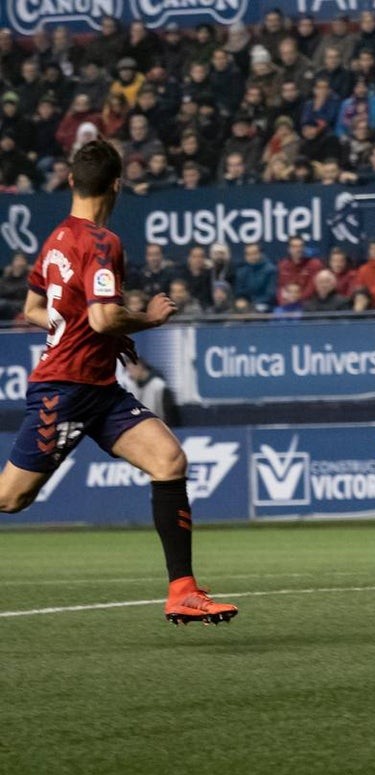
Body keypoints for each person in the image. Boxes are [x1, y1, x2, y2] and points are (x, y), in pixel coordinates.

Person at [0, 139, 236, 626]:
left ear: (70, 181)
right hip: (65, 389)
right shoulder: (103, 242)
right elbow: (105, 318)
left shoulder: (56, 239)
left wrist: (100, 340)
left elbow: (35, 310)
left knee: (169, 460)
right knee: (10, 497)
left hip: (97, 387)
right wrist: (146, 321)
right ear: (117, 185)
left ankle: (183, 591)